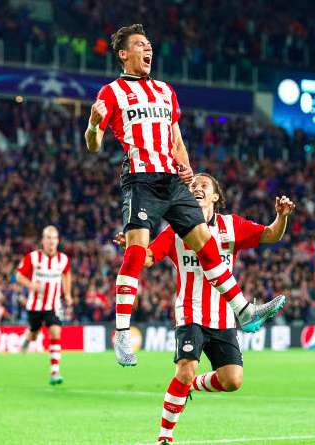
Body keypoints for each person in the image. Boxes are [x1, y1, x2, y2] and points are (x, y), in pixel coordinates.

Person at [85, 23, 285, 367]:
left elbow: (176, 138)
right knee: (136, 250)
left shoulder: (165, 91)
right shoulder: (111, 92)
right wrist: (92, 123)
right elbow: (93, 144)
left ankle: (243, 311)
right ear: (123, 54)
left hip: (172, 180)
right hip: (141, 179)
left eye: (149, 44)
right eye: (140, 45)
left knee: (206, 244)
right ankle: (121, 333)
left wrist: (187, 168)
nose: (148, 49)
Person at [116, 173, 295, 444]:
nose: (196, 188)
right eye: (192, 185)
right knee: (185, 369)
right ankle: (165, 436)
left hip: (223, 317)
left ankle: (192, 384)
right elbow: (150, 257)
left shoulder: (231, 225)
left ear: (215, 196)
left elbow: (270, 234)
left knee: (232, 381)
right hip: (190, 312)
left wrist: (281, 217)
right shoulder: (175, 231)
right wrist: (135, 249)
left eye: (203, 185)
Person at [16, 226, 72, 385]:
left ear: (57, 241)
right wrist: (30, 284)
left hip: (53, 305)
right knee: (34, 334)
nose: (51, 241)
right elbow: (19, 276)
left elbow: (66, 275)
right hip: (35, 306)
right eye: (48, 238)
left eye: (54, 238)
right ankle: (28, 337)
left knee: (55, 333)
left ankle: (55, 372)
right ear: (43, 241)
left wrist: (68, 294)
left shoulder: (63, 259)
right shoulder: (32, 258)